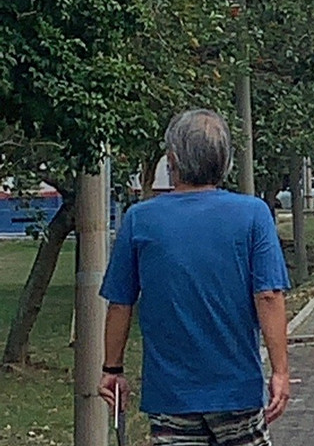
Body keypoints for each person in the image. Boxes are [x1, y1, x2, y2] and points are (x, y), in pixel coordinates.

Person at [98, 109, 291, 446]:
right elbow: (269, 296)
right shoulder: (253, 214)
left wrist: (113, 370)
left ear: (171, 160)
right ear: (225, 161)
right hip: (237, 390)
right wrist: (280, 371)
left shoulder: (140, 220)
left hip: (171, 394)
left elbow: (120, 303)